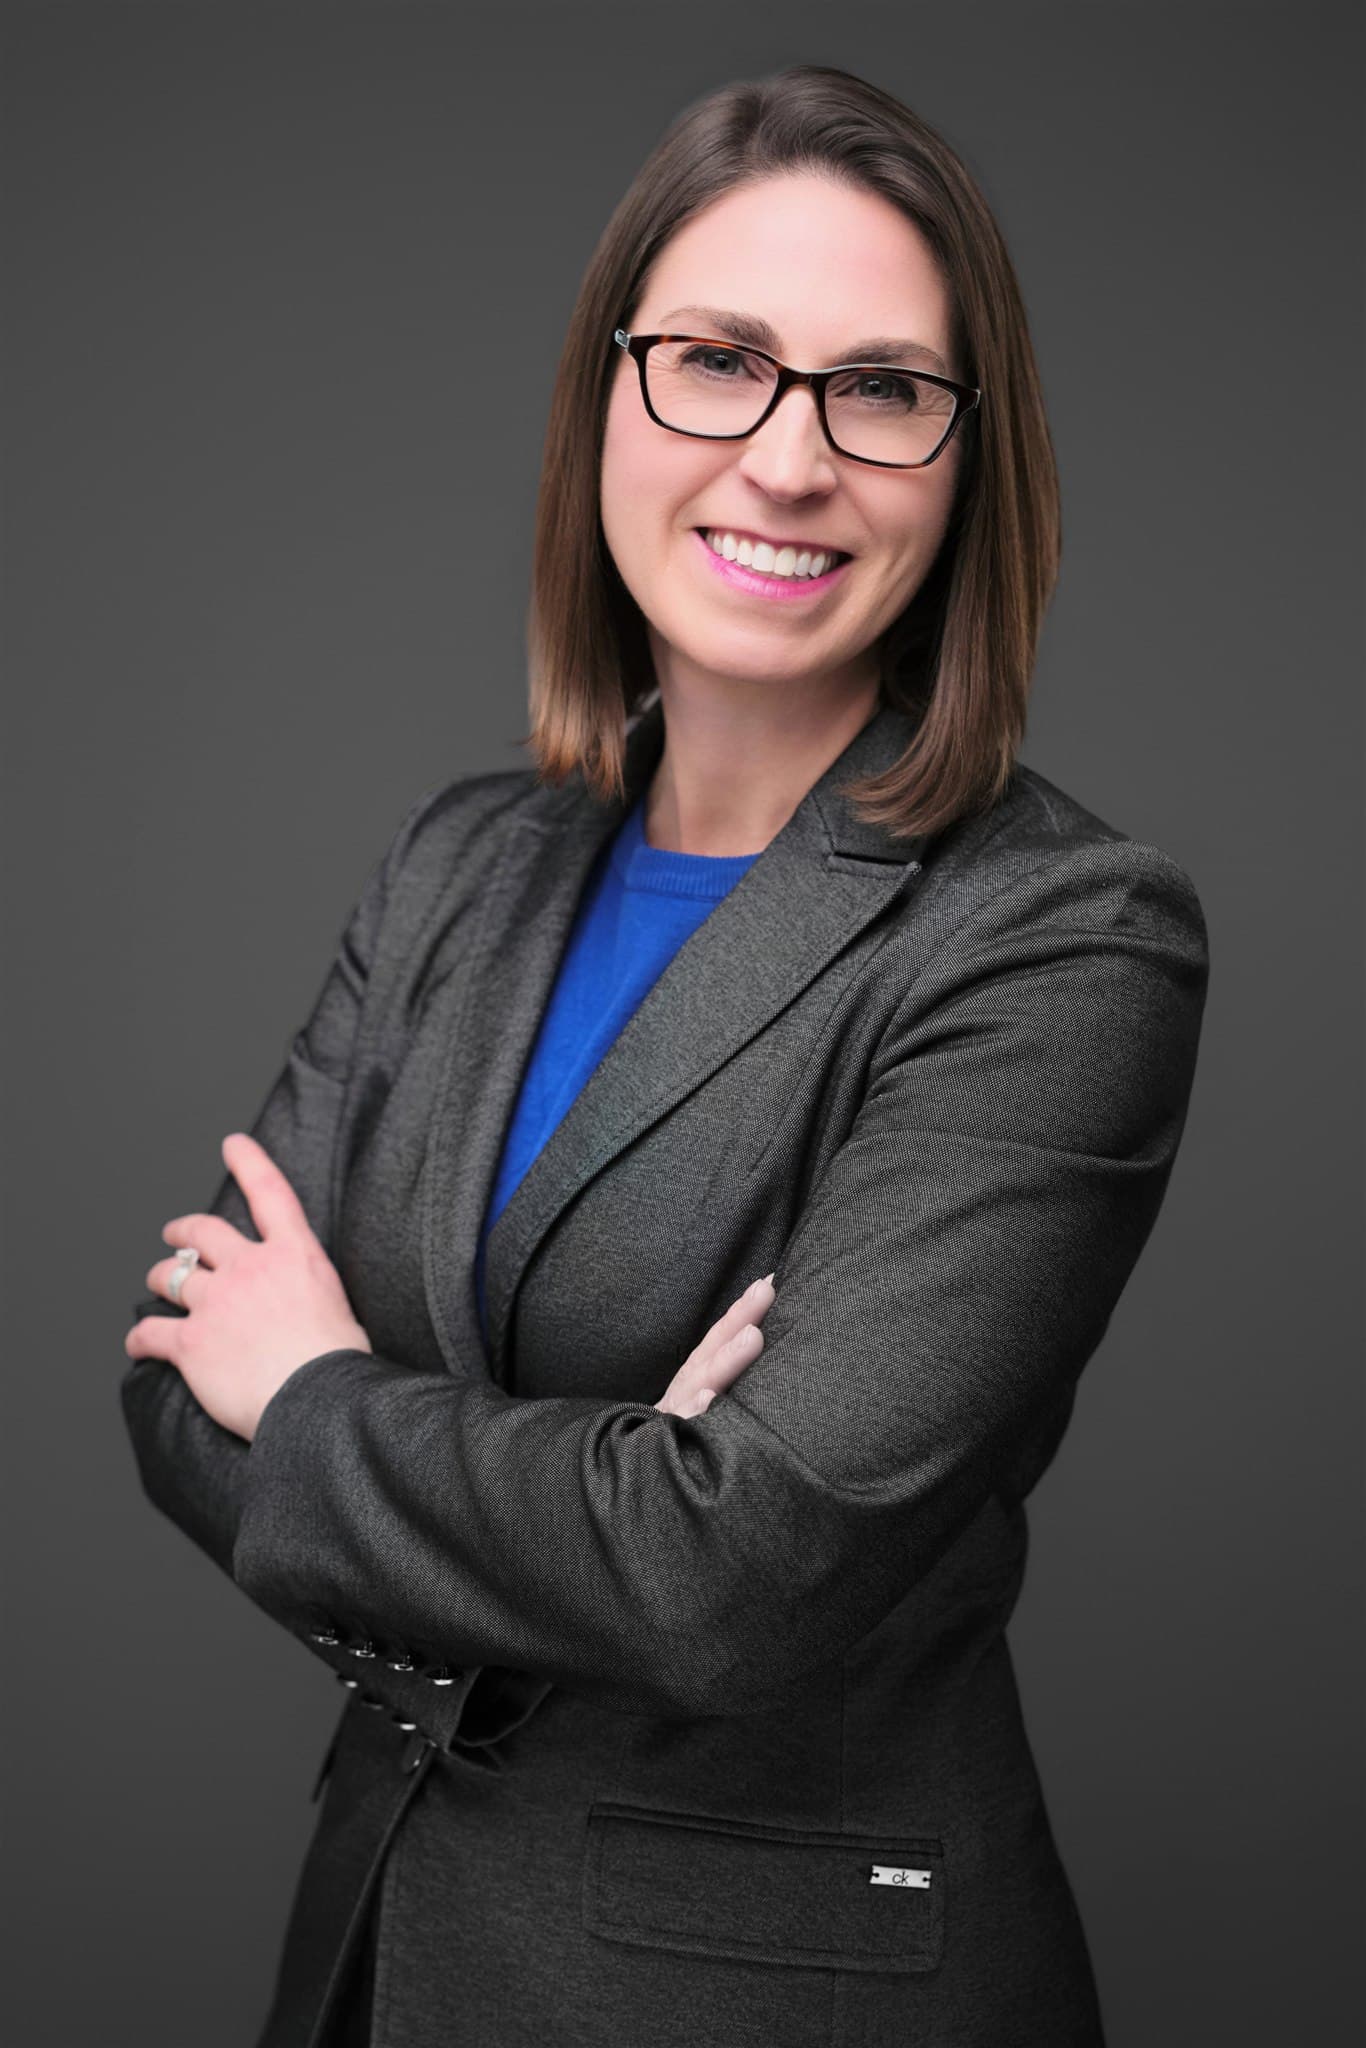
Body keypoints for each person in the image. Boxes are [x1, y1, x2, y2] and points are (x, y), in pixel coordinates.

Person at [119, 62, 1210, 2048]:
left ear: (967, 462)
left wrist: (326, 1394)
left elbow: (738, 1569)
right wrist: (605, 1483)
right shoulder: (461, 862)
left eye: (879, 389)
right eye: (717, 357)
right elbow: (179, 1389)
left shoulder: (1057, 933)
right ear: (605, 400)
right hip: (376, 1952)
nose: (788, 457)